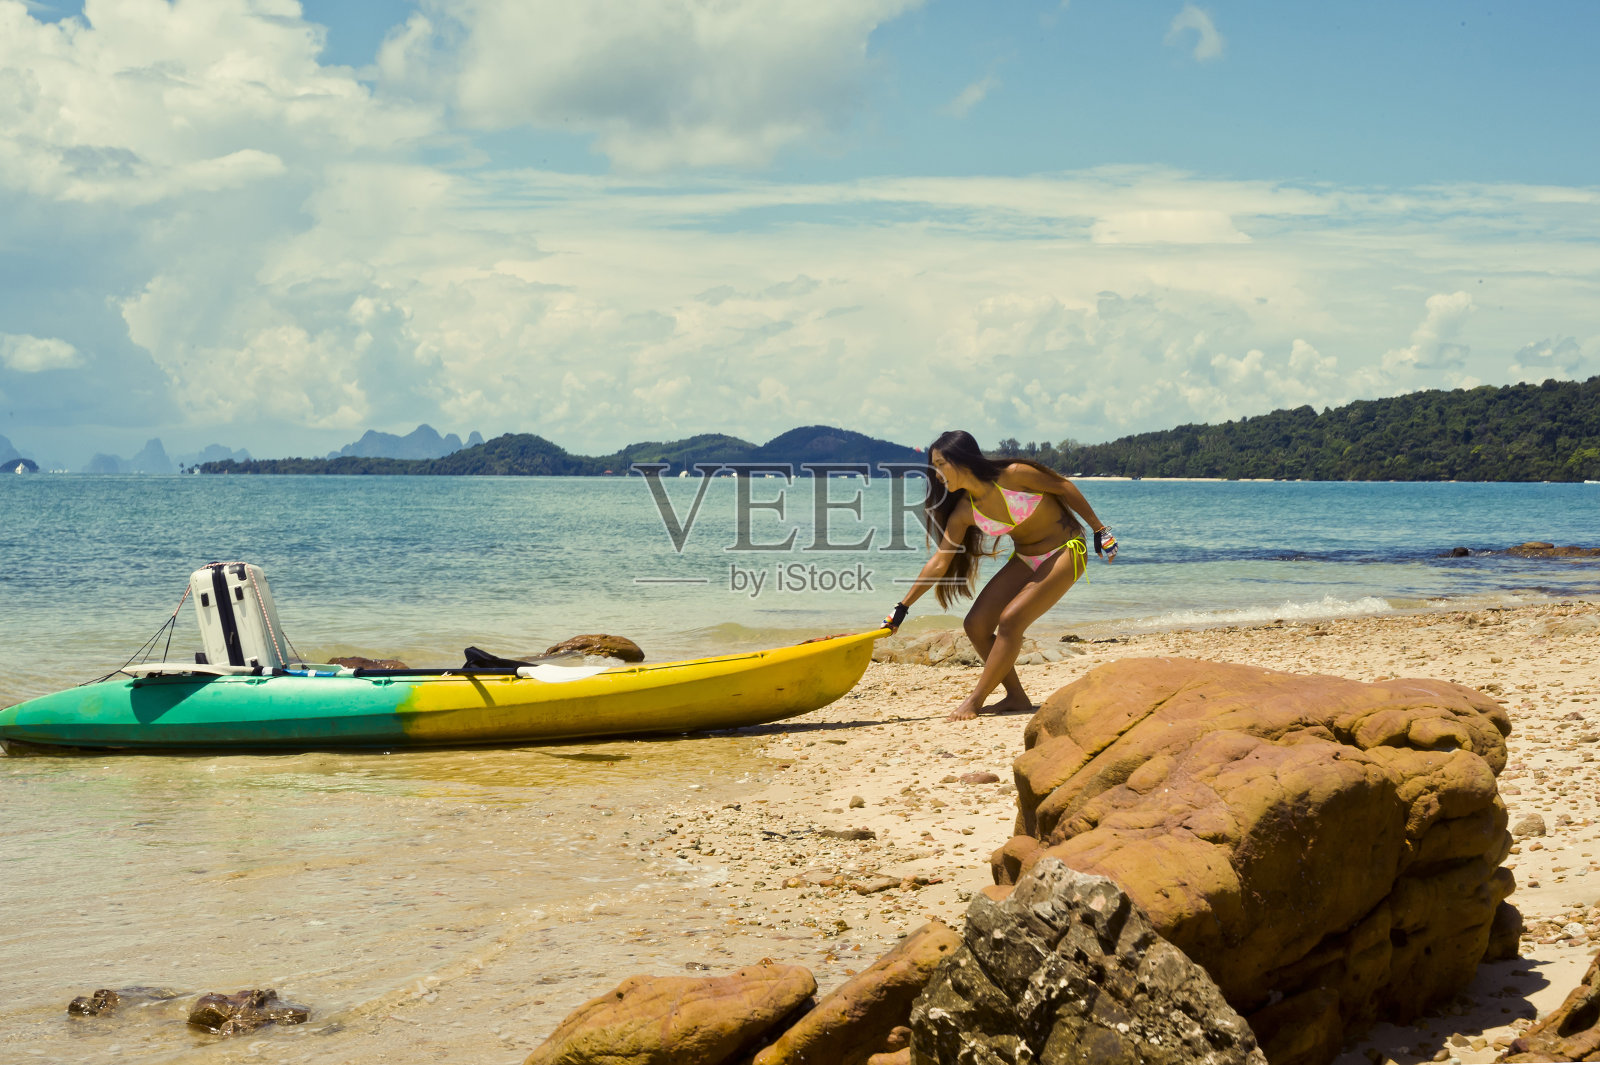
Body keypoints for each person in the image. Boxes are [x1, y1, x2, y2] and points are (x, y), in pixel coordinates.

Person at [882, 430, 1115, 721]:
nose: (936, 473)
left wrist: (1100, 530)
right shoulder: (965, 510)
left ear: (960, 459)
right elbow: (940, 561)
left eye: (940, 464)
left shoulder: (1015, 475)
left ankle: (975, 700)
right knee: (976, 625)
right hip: (1025, 558)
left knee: (1010, 620)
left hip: (1067, 550)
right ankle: (1016, 697)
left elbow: (1063, 486)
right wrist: (902, 608)